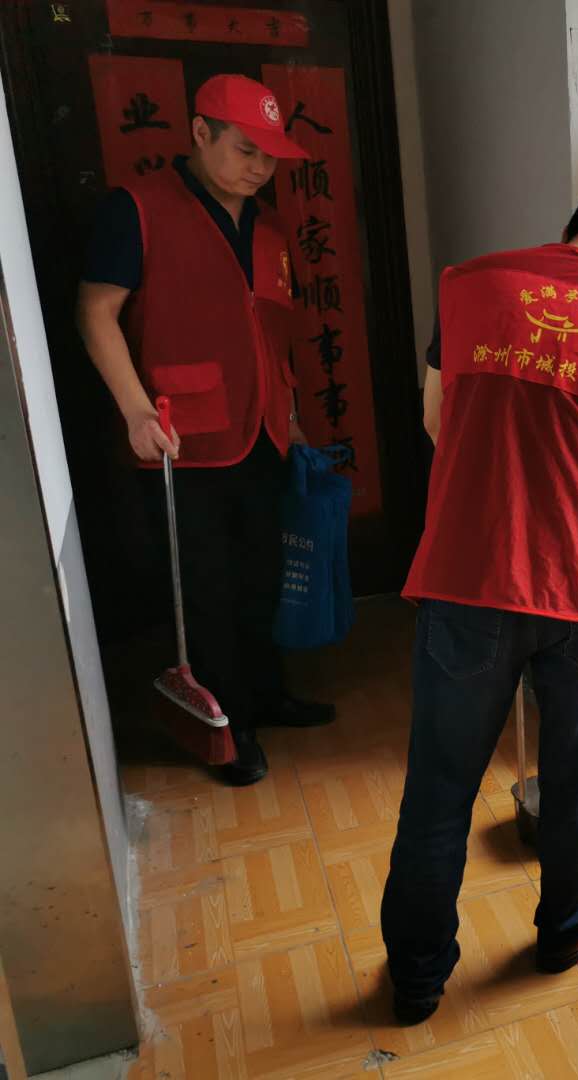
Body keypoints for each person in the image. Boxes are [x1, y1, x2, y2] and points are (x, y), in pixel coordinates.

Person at [380, 185, 578, 1024]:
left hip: (467, 576)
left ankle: (416, 977)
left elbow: (436, 418)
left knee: (440, 789)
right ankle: (566, 928)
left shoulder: (471, 288)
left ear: (570, 234)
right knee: (576, 777)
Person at [76, 74, 336, 787]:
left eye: (270, 156)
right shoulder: (138, 209)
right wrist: (135, 410)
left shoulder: (269, 226)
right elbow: (96, 312)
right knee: (208, 588)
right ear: (199, 132)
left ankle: (267, 693)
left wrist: (291, 418)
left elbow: (272, 335)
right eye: (247, 150)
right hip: (181, 439)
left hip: (263, 434)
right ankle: (231, 725)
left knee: (261, 575)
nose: (261, 168)